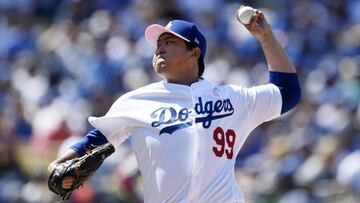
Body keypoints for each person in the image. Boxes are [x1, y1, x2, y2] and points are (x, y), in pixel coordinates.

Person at [48, 8, 301, 203]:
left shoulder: (233, 97)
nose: (159, 48)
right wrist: (57, 166)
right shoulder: (135, 102)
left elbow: (286, 92)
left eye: (169, 42)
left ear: (195, 52)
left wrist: (266, 37)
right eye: (158, 44)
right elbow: (94, 141)